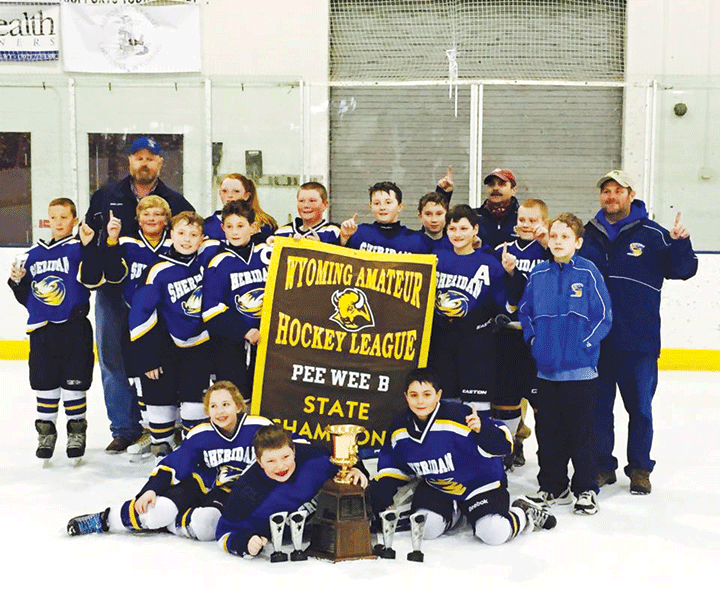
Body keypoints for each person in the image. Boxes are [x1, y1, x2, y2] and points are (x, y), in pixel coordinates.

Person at [579, 170, 698, 495]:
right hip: (597, 343)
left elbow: (683, 270)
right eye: (606, 191)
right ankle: (604, 466)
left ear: (631, 195)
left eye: (618, 190)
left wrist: (680, 244)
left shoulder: (652, 233)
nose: (611, 196)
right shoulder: (587, 234)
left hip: (639, 344)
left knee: (641, 411)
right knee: (599, 411)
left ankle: (640, 469)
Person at [85, 136, 194, 453]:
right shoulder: (105, 196)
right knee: (112, 360)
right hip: (113, 295)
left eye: (151, 158)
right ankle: (124, 428)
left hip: (161, 300)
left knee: (164, 357)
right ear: (129, 162)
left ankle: (165, 423)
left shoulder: (177, 202)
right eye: (138, 157)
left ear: (161, 163)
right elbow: (91, 244)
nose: (144, 163)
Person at [370, 367, 556, 546]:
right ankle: (456, 511)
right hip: (440, 488)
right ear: (406, 397)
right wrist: (381, 500)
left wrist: (483, 431)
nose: (420, 401)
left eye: (427, 394)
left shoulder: (459, 416)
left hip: (481, 486)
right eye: (414, 395)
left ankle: (523, 512)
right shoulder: (400, 428)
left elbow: (505, 446)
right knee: (426, 529)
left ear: (438, 395)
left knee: (493, 533)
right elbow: (393, 465)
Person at [66, 381, 273, 540]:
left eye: (226, 404)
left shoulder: (259, 427)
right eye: (214, 406)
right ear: (207, 411)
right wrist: (151, 489)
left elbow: (291, 447)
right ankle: (104, 520)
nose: (220, 411)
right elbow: (175, 463)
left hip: (232, 491)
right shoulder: (200, 434)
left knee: (206, 527)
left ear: (238, 406)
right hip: (199, 484)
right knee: (155, 511)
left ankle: (170, 524)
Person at [518, 213, 612, 515]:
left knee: (581, 433)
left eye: (565, 237)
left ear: (578, 242)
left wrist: (585, 346)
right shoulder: (538, 275)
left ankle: (585, 488)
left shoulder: (588, 273)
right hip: (546, 372)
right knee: (548, 432)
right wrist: (534, 342)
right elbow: (525, 312)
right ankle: (553, 486)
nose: (558, 241)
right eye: (554, 236)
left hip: (580, 372)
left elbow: (603, 317)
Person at [8, 198, 103, 462]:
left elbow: (94, 277)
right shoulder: (32, 255)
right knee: (45, 384)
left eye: (64, 217)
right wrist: (16, 283)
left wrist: (89, 245)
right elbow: (26, 297)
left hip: (75, 328)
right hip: (42, 331)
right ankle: (46, 433)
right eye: (54, 217)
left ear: (74, 220)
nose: (58, 222)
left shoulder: (78, 249)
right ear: (47, 220)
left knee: (75, 384)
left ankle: (76, 431)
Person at [128, 211, 212, 456]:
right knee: (159, 397)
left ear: (202, 239)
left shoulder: (208, 263)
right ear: (171, 234)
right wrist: (147, 357)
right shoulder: (158, 270)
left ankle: (192, 449)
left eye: (193, 234)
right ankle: (162, 445)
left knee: (195, 400)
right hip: (164, 347)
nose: (187, 239)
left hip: (200, 345)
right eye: (181, 233)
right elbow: (140, 313)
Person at [217, 424, 368, 557]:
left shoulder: (316, 456)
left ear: (294, 451)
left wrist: (356, 470)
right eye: (270, 461)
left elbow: (344, 459)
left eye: (286, 456)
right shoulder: (246, 490)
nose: (281, 466)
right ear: (259, 462)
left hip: (331, 536)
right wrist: (244, 543)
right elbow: (223, 533)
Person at [97, 195, 173, 454]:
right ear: (138, 219)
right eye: (146, 214)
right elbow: (111, 271)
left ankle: (166, 429)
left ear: (166, 219)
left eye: (157, 214)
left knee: (164, 373)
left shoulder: (175, 243)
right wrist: (111, 240)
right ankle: (138, 430)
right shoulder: (127, 243)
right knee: (135, 374)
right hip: (134, 319)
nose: (152, 219)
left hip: (165, 320)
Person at [430, 205, 508, 413]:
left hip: (477, 345)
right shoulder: (436, 259)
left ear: (475, 230)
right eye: (453, 229)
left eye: (464, 228)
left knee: (477, 410)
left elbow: (502, 304)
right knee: (446, 405)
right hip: (443, 343)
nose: (457, 234)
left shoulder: (490, 264)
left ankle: (480, 446)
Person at [494, 198, 550, 468]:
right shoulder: (502, 249)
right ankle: (510, 447)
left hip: (539, 338)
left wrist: (547, 244)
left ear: (544, 222)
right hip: (508, 336)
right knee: (506, 401)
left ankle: (549, 459)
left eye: (532, 220)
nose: (526, 225)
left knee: (542, 402)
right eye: (522, 219)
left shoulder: (550, 250)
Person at [203, 200, 272, 398]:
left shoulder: (266, 254)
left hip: (266, 339)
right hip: (231, 344)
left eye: (240, 226)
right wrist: (244, 330)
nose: (235, 232)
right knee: (236, 397)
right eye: (230, 226)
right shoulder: (217, 262)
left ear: (253, 227)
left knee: (266, 396)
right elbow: (211, 310)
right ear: (222, 228)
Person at [339, 181, 433, 254]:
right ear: (370, 207)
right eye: (377, 203)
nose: (382, 207)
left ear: (400, 207)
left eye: (388, 202)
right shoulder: (359, 233)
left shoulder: (417, 240)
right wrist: (344, 238)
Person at [205, 173, 277, 242]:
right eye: (224, 191)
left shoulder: (265, 224)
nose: (229, 195)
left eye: (236, 191)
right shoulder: (207, 225)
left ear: (247, 196)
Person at [274, 181, 340, 243]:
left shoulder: (334, 232)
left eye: (312, 201)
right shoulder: (282, 232)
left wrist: (319, 247)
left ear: (325, 204)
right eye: (301, 201)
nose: (306, 205)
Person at [473, 168, 520, 248]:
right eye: (491, 184)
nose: (495, 188)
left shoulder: (523, 218)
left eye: (502, 184)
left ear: (513, 190)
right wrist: (446, 194)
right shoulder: (473, 216)